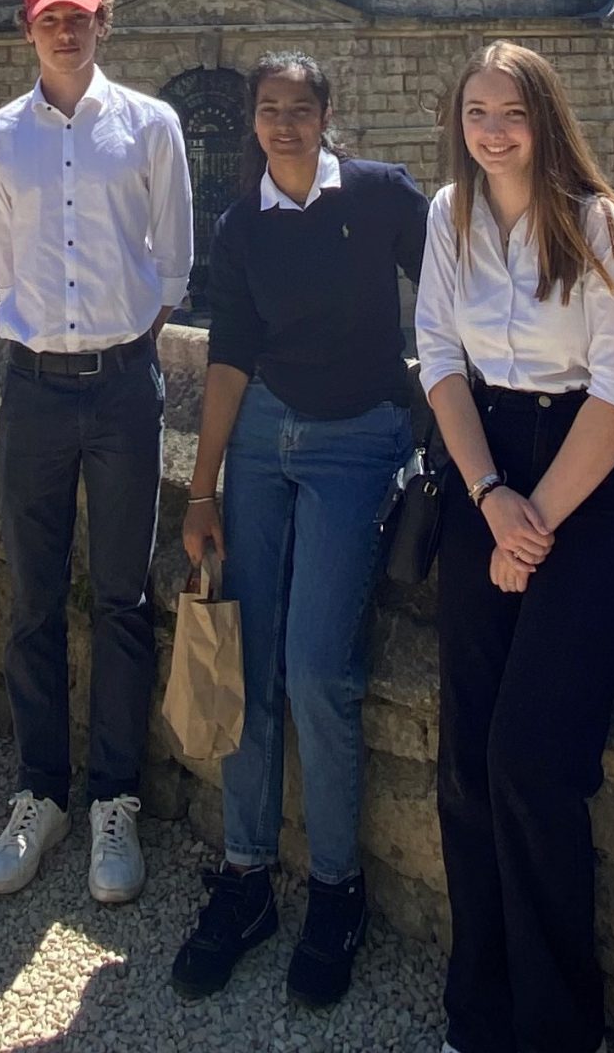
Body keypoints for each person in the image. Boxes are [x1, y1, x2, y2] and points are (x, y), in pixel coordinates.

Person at [416, 41, 614, 1053]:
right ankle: (479, 1013)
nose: (490, 131)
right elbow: (436, 355)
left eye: (509, 113)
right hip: (488, 471)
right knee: (467, 758)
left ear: (545, 119)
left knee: (530, 760)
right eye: (475, 112)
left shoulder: (602, 224)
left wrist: (534, 525)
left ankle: (564, 1027)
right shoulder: (450, 215)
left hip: (594, 488)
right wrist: (488, 497)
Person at [171, 53, 429, 1008]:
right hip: (266, 435)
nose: (284, 124)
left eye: (300, 109)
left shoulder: (379, 194)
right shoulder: (242, 225)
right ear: (253, 121)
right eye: (269, 110)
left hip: (359, 437)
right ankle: (244, 877)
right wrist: (201, 489)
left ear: (327, 114)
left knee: (321, 669)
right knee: (245, 656)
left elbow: (449, 284)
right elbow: (231, 359)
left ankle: (335, 887)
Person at [0, 0, 193, 904]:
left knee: (120, 597)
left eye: (79, 18)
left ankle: (115, 798)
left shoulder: (152, 124)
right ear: (30, 28)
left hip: (119, 391)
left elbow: (174, 260)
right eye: (49, 18)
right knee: (31, 596)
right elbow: (2, 256)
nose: (65, 32)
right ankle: (40, 791)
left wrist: (116, 339)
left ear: (103, 23)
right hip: (31, 387)